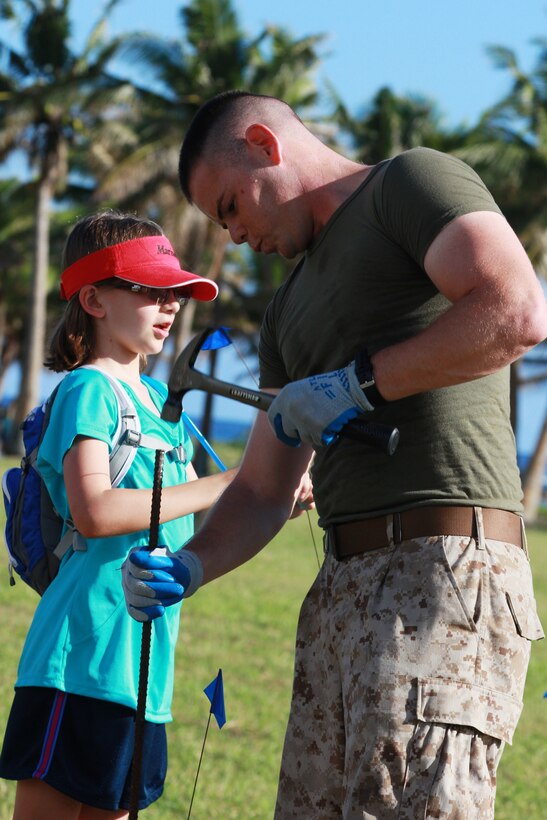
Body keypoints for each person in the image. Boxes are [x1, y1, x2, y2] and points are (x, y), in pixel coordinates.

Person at [122, 91, 547, 819]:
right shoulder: (285, 311)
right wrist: (190, 566)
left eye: (230, 205)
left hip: (444, 570)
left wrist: (357, 384)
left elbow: (513, 311)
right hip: (339, 590)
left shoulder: (409, 183)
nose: (234, 232)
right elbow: (261, 490)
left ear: (263, 143)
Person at [0, 210, 238, 819]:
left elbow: (187, 522)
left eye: (173, 292)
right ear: (93, 299)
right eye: (148, 289)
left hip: (144, 672)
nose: (170, 305)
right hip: (76, 661)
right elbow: (97, 510)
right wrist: (228, 481)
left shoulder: (162, 402)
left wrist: (270, 498)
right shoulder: (88, 390)